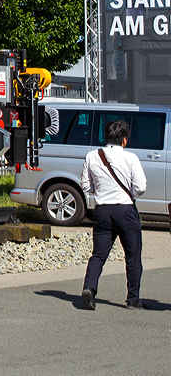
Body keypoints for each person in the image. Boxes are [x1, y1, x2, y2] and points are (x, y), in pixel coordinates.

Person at [80, 119, 147, 310]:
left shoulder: (93, 155)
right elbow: (140, 187)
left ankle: (89, 289)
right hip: (125, 211)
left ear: (106, 136)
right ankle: (133, 299)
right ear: (124, 139)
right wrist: (129, 193)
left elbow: (85, 185)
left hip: (102, 211)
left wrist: (100, 190)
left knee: (98, 255)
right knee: (132, 256)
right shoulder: (131, 158)